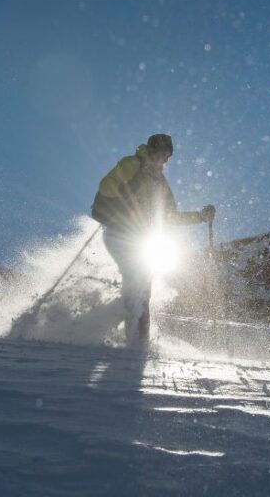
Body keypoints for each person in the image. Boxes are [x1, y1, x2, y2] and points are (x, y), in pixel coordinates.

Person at [92, 133, 215, 346]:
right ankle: (135, 340)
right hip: (119, 231)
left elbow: (170, 215)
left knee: (142, 288)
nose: (163, 159)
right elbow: (106, 184)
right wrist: (122, 196)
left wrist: (200, 217)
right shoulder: (133, 164)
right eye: (160, 153)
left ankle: (133, 337)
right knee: (138, 281)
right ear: (150, 151)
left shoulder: (161, 183)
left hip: (141, 238)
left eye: (167, 156)